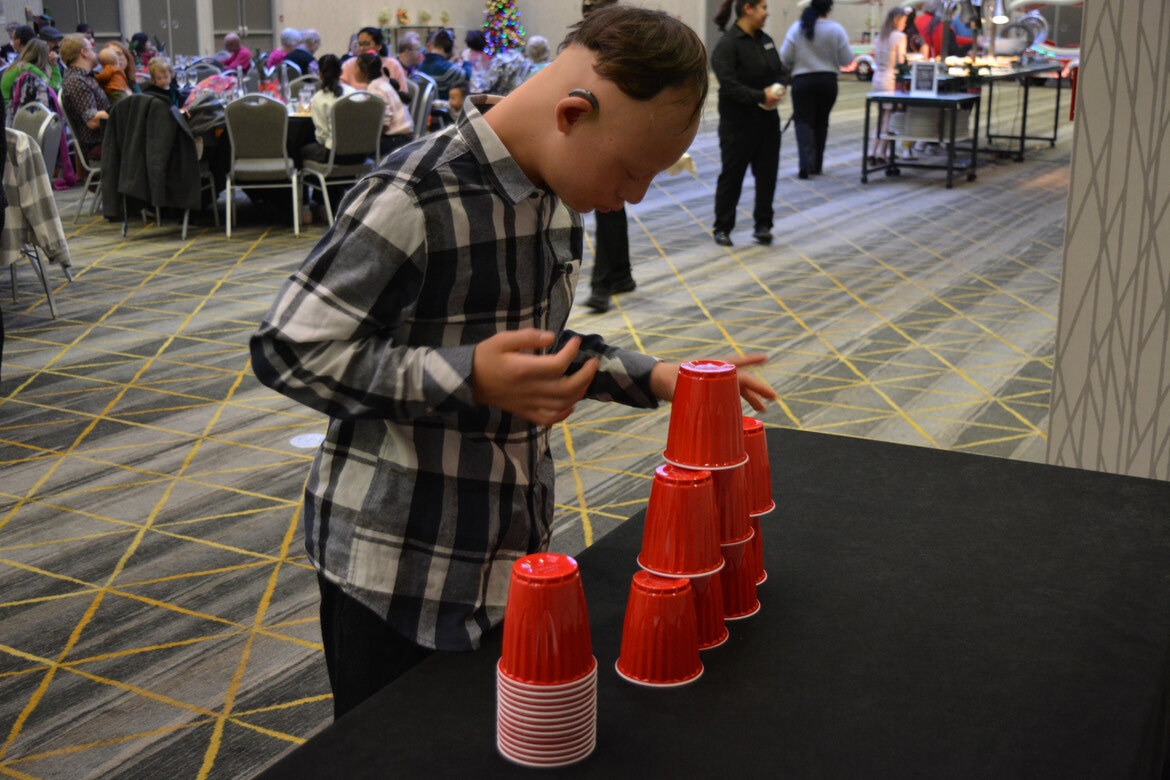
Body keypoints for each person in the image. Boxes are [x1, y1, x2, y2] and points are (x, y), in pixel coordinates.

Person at [250, 4, 776, 719]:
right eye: (630, 171)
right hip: (395, 575)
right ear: (571, 115)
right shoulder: (414, 194)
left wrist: (655, 377)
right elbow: (288, 347)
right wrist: (468, 376)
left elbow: (536, 347)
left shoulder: (552, 194)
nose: (633, 197)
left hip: (503, 556)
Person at [710, 0, 786, 248]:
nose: (767, 13)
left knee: (767, 175)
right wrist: (761, 96)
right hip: (737, 124)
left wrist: (780, 86)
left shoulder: (766, 40)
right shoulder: (728, 44)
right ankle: (722, 227)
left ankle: (763, 225)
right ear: (748, 9)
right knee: (732, 176)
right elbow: (729, 85)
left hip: (768, 122)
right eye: (763, 7)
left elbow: (780, 70)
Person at [579, 0, 634, 315]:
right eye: (585, 7)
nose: (587, 13)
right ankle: (622, 275)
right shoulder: (590, 45)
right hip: (598, 134)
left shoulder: (622, 49)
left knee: (607, 205)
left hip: (616, 136)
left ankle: (601, 288)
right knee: (612, 206)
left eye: (593, 7)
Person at [779, 0, 852, 179]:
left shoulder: (797, 28)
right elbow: (846, 59)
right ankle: (817, 165)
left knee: (803, 122)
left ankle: (805, 163)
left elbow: (785, 57)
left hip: (802, 82)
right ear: (829, 9)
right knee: (821, 122)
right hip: (828, 82)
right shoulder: (836, 29)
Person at [59, 34, 109, 160]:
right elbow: (92, 121)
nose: (95, 53)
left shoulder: (83, 77)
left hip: (107, 138)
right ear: (84, 53)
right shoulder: (77, 81)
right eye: (92, 49)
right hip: (99, 144)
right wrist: (123, 112)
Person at [868, 7, 907, 164]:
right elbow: (901, 62)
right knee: (888, 118)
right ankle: (880, 153)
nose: (905, 24)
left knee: (881, 117)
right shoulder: (900, 36)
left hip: (877, 78)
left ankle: (875, 152)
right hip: (890, 80)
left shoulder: (880, 36)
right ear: (897, 20)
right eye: (904, 21)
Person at [360, 53, 413, 157]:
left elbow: (386, 119)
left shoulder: (374, 88)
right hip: (404, 136)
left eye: (356, 67)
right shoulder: (381, 82)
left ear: (364, 71)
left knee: (358, 147)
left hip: (396, 139)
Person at [341, 26, 407, 95]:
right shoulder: (349, 64)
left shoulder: (393, 65)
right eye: (360, 44)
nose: (362, 48)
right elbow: (340, 91)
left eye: (367, 44)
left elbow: (403, 94)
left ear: (379, 46)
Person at [1, 38, 60, 107]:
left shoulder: (18, 64)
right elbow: (56, 88)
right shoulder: (29, 68)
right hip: (11, 109)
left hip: (7, 107)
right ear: (43, 56)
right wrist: (54, 65)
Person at [419, 29, 467, 100]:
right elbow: (467, 76)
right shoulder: (447, 68)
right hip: (442, 106)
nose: (454, 51)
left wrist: (451, 63)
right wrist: (466, 60)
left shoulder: (422, 64)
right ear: (448, 47)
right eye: (454, 47)